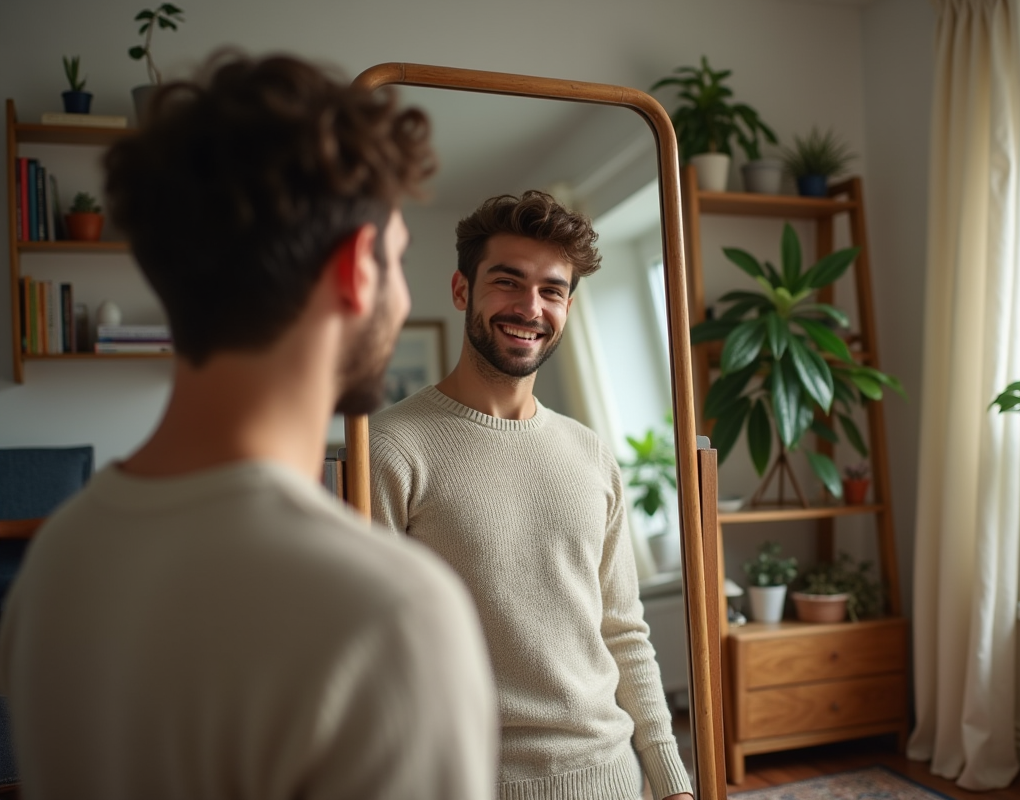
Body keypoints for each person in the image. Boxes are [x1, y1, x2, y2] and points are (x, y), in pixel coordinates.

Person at [0, 54, 497, 800]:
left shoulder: (55, 563)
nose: (401, 295)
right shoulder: (386, 614)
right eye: (397, 260)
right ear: (357, 268)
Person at [370, 189, 694, 800]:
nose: (530, 307)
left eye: (551, 290)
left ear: (568, 305)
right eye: (508, 281)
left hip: (614, 778)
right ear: (462, 290)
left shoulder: (591, 453)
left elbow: (623, 631)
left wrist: (670, 778)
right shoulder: (390, 448)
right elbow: (371, 653)